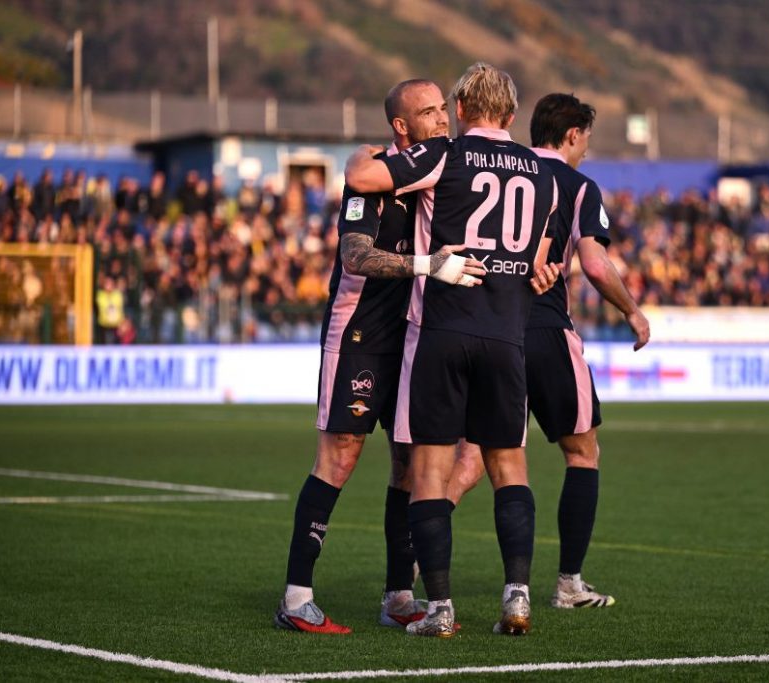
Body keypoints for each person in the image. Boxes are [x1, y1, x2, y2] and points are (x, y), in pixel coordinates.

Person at [345, 62, 558, 638]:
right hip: (506, 334)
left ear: (461, 109)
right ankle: (517, 598)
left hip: (443, 329)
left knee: (429, 471)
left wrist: (360, 156)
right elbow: (540, 259)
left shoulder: (446, 154)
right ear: (511, 114)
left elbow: (365, 178)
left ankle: (439, 608)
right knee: (509, 467)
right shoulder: (544, 175)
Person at [274, 78, 489, 635]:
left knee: (409, 464)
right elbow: (355, 255)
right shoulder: (372, 176)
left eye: (444, 109)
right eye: (429, 112)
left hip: (414, 337)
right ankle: (296, 598)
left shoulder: (436, 172)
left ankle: (398, 595)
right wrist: (427, 265)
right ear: (401, 126)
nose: (442, 119)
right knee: (339, 457)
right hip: (359, 335)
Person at [447, 93, 651, 610]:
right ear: (573, 135)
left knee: (473, 458)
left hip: (487, 327)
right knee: (582, 452)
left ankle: (413, 554)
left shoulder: (506, 168)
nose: (586, 151)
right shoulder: (578, 185)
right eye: (586, 140)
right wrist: (632, 311)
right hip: (544, 328)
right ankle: (569, 584)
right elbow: (595, 264)